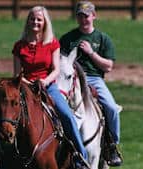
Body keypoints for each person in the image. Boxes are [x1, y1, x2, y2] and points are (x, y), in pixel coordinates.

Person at [12, 6, 89, 169]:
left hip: (49, 86)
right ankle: (3, 158)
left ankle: (81, 157)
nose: (35, 22)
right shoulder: (19, 46)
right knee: (9, 117)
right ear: (28, 21)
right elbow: (17, 74)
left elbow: (56, 70)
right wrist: (28, 83)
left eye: (39, 19)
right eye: (32, 19)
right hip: (26, 88)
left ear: (45, 22)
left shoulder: (52, 43)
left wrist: (45, 81)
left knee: (67, 116)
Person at [60, 1, 123, 167]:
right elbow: (60, 62)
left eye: (86, 16)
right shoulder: (67, 39)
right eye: (80, 15)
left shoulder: (102, 39)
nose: (83, 19)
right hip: (71, 79)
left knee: (111, 107)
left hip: (94, 79)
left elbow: (108, 66)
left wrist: (91, 53)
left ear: (94, 16)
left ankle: (112, 145)